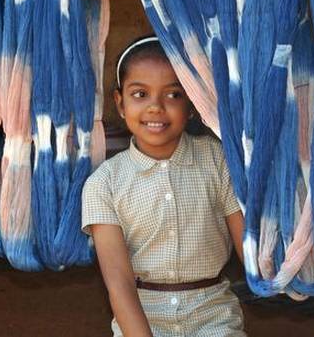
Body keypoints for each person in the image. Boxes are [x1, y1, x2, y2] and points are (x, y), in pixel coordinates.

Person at [81, 36, 246, 336]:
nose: (155, 107)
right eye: (140, 94)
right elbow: (119, 284)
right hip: (143, 319)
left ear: (193, 103)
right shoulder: (103, 184)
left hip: (213, 316)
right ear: (119, 103)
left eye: (173, 95)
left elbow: (249, 251)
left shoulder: (219, 160)